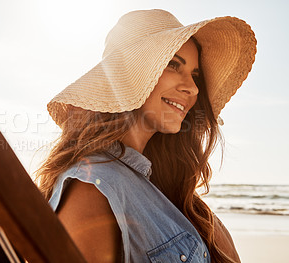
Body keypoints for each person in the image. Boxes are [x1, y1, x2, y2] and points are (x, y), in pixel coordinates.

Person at [35, 9, 256, 263]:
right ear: (129, 75)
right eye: (173, 65)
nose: (193, 87)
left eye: (195, 75)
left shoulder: (161, 187)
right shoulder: (92, 186)